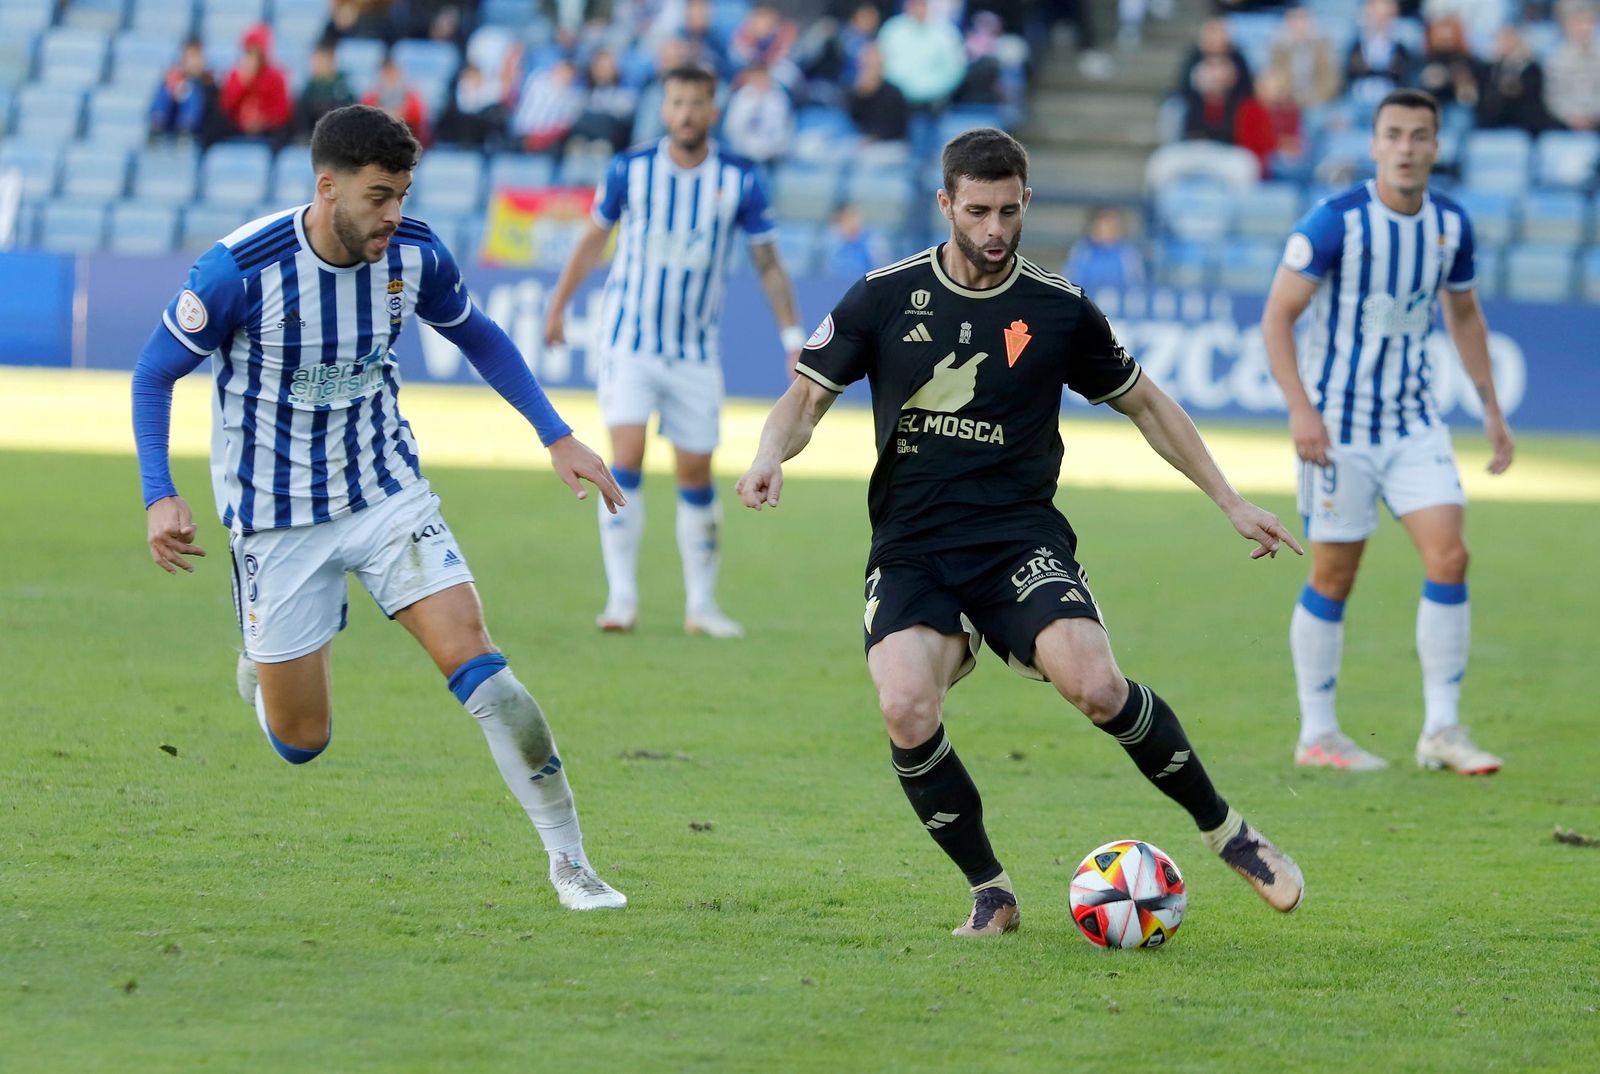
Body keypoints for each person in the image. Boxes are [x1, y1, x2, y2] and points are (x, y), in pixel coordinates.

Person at [735, 128, 1306, 937]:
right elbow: (804, 399)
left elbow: (1146, 403)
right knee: (905, 707)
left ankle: (1229, 832)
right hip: (913, 546)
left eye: (1009, 210)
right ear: (946, 205)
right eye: (977, 211)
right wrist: (769, 455)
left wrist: (1230, 499)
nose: (995, 228)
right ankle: (991, 890)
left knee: (1098, 687)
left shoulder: (1057, 308)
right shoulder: (885, 295)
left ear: (1027, 201)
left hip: (1018, 540)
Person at [132, 105, 628, 911]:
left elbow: (481, 336)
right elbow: (154, 373)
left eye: (401, 194)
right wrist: (161, 494)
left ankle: (570, 863)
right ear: (327, 187)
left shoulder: (416, 254)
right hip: (277, 516)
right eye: (377, 196)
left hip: (386, 493)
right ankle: (261, 660)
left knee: (487, 674)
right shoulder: (238, 270)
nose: (393, 214)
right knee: (302, 742)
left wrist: (558, 435)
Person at [1260, 88, 1515, 775]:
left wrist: (1489, 408)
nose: (1407, 147)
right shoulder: (1334, 222)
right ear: (1374, 145)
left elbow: (1465, 316)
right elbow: (1277, 316)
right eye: (1394, 135)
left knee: (1450, 556)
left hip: (1414, 424)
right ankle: (1317, 734)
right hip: (1337, 430)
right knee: (1334, 575)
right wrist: (1300, 410)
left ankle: (1442, 730)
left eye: (1420, 136)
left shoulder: (1451, 225)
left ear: (1436, 146)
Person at [543, 64, 806, 639]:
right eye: (677, 102)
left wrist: (792, 336)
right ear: (665, 110)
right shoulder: (630, 170)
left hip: (693, 350)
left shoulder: (739, 179)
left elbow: (767, 262)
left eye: (697, 103)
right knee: (627, 455)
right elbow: (593, 240)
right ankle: (622, 599)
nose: (686, 113)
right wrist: (559, 304)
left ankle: (701, 606)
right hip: (629, 341)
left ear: (713, 110)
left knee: (695, 472)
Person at [220, 24, 293, 146]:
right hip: (238, 126)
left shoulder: (276, 76)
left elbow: (282, 111)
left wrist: (262, 120)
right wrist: (242, 83)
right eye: (249, 51)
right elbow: (226, 106)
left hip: (267, 129)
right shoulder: (236, 74)